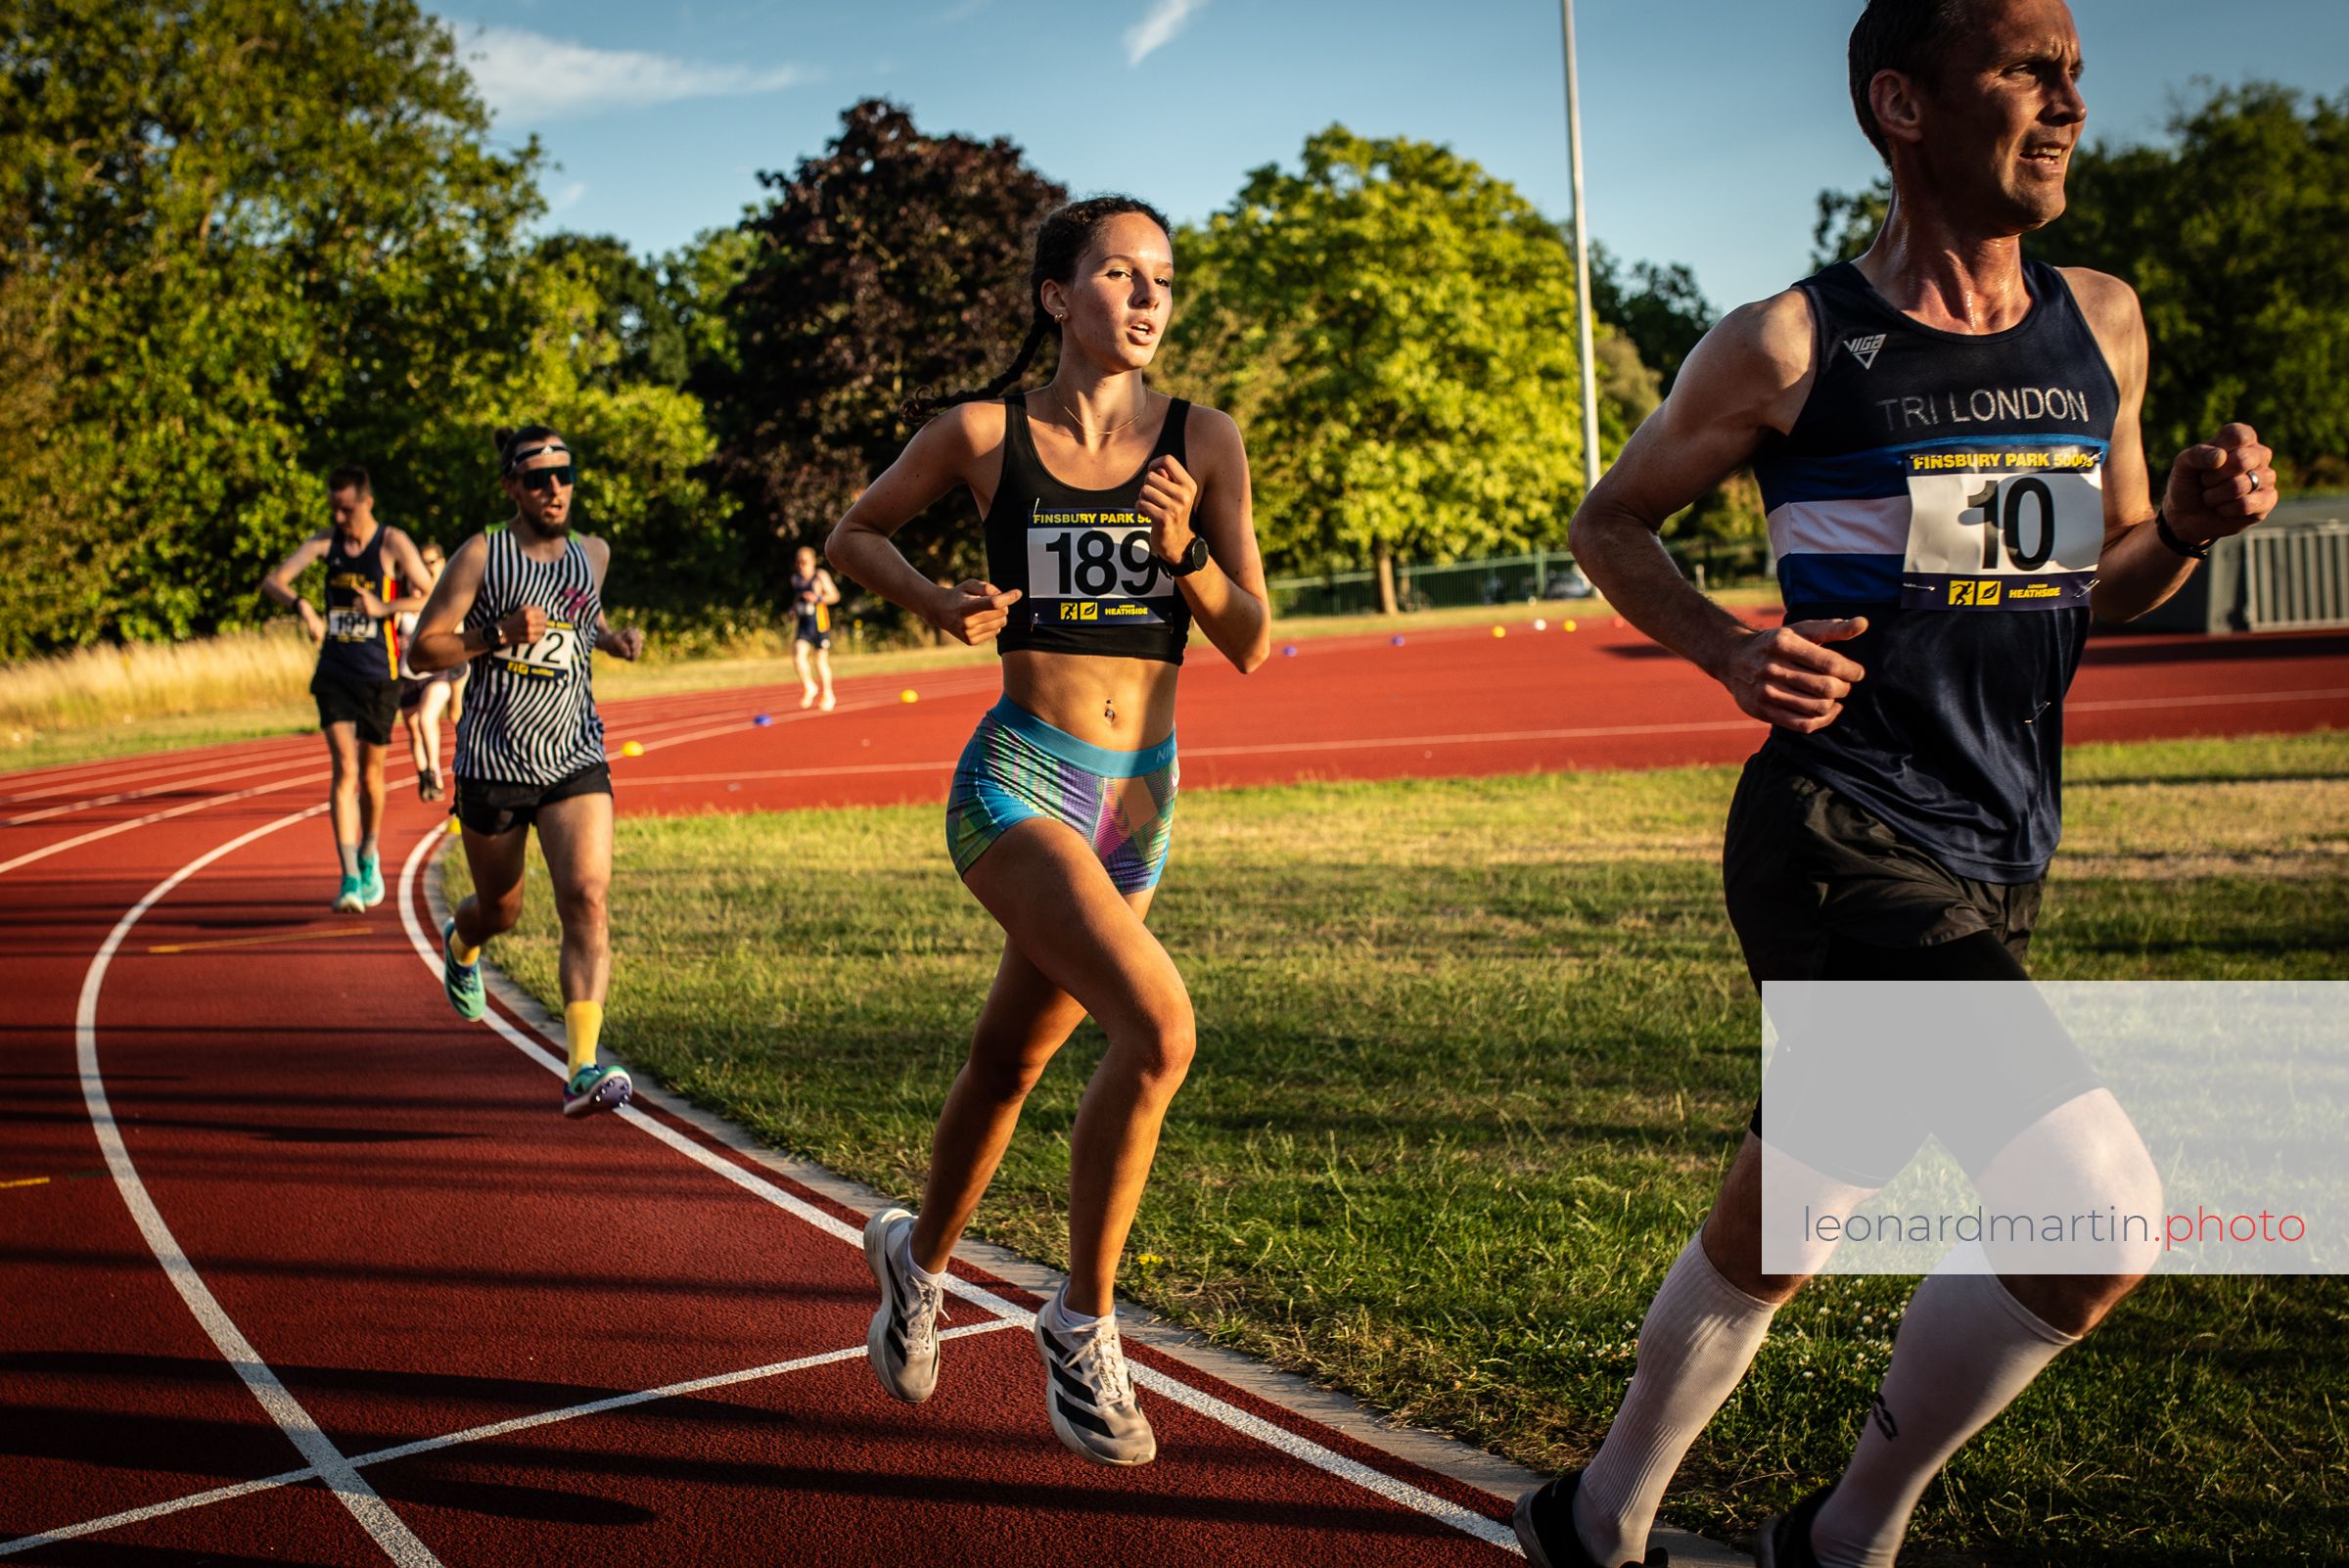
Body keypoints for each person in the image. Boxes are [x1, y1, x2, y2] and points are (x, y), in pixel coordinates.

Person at [1511, 4, 2279, 1566]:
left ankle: (1594, 1520)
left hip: (1999, 840)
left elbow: (2107, 580)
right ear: (1904, 105)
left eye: (2074, 71)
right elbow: (1610, 522)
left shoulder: (2104, 321)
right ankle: (1848, 1536)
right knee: (2095, 1209)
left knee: (1792, 1218)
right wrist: (1731, 650)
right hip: (1836, 830)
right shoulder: (1790, 345)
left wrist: (2187, 529)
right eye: (2028, 69)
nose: (2070, 101)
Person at [827, 197, 1270, 1466]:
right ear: (1056, 296)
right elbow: (854, 533)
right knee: (1161, 1030)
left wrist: (1184, 552)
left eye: (1162, 280)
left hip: (1138, 806)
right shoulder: (983, 433)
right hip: (1019, 782)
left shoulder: (1204, 440)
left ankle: (916, 1262)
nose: (1147, 299)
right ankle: (1081, 1326)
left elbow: (1249, 638)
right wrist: (932, 599)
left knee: (1010, 1061)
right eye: (1120, 275)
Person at [408, 425, 649, 1119]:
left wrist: (611, 639)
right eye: (538, 478)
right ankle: (463, 942)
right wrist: (495, 634)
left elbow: (578, 616)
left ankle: (581, 1068)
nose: (554, 489)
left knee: (588, 897)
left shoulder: (592, 554)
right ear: (511, 485)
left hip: (575, 754)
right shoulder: (482, 555)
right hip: (494, 760)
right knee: (501, 910)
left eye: (564, 475)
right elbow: (423, 650)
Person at [262, 465, 437, 912]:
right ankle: (347, 878)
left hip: (379, 673)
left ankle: (368, 855)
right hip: (335, 671)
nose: (339, 519)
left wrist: (385, 606)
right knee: (344, 770)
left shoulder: (392, 542)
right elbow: (274, 580)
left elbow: (431, 593)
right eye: (333, 510)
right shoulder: (326, 542)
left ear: (366, 502)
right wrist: (303, 607)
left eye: (346, 510)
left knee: (372, 776)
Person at [395, 539, 464, 802]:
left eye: (431, 562)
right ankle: (424, 774)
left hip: (440, 671)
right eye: (421, 563)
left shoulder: (448, 594)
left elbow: (460, 636)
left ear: (442, 563)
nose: (425, 568)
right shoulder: (403, 597)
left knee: (430, 718)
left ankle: (437, 771)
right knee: (414, 727)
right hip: (408, 673)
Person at [790, 544, 843, 710]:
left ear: (812, 561)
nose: (801, 565)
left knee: (820, 661)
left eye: (804, 562)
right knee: (798, 656)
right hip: (804, 624)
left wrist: (818, 598)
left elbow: (835, 596)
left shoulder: (820, 576)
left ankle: (828, 694)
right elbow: (797, 598)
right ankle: (809, 686)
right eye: (798, 562)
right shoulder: (796, 579)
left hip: (819, 623)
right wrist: (793, 609)